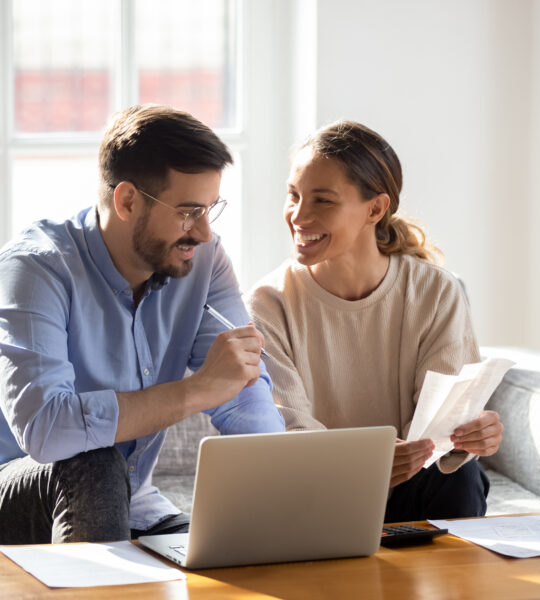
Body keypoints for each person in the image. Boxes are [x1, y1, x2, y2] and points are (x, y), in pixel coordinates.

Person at [0, 104, 284, 545]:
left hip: (137, 504)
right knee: (93, 463)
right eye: (189, 211)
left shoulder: (204, 261)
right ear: (127, 200)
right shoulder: (37, 267)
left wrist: (288, 482)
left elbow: (243, 393)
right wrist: (195, 390)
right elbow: (46, 429)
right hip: (21, 489)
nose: (205, 232)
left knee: (233, 558)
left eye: (211, 209)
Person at [245, 120, 503, 521]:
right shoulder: (268, 303)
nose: (298, 215)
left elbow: (441, 427)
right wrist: (367, 465)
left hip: (415, 482)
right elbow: (288, 431)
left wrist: (469, 436)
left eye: (322, 201)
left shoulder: (436, 291)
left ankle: (455, 582)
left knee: (460, 477)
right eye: (293, 195)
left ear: (376, 208)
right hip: (318, 491)